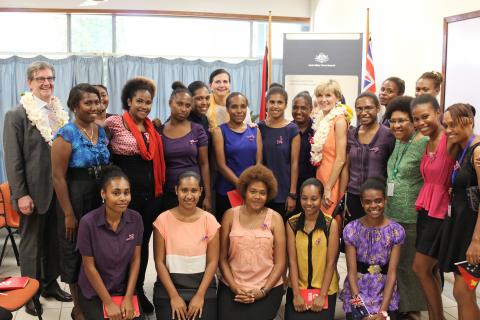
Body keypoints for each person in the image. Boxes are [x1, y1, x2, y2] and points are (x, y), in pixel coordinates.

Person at [3, 61, 71, 316]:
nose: (47, 83)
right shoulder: (17, 115)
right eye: (40, 78)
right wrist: (21, 194)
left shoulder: (58, 112)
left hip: (59, 190)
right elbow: (13, 159)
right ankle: (29, 293)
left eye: (50, 78)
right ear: (29, 83)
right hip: (32, 193)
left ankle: (50, 284)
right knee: (31, 246)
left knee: (54, 241)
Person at [104, 76, 166, 313]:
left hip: (151, 197)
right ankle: (118, 291)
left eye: (148, 102)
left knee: (142, 244)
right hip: (123, 199)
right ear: (128, 101)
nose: (144, 106)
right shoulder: (115, 123)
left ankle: (138, 289)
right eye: (139, 101)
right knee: (120, 245)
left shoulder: (152, 127)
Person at [52, 83, 110, 318]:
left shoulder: (101, 130)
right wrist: (68, 213)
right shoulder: (66, 134)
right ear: (75, 106)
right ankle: (78, 309)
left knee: (97, 251)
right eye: (88, 103)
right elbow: (57, 177)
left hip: (99, 197)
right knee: (75, 252)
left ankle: (95, 299)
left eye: (97, 102)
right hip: (75, 198)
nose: (94, 107)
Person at [411, 94, 457, 320]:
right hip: (426, 210)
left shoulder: (449, 139)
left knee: (420, 268)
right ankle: (434, 316)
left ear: (438, 113)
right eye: (416, 119)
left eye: (425, 116)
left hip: (442, 212)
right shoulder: (427, 141)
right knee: (431, 270)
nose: (420, 123)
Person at [218, 164, 286, 320]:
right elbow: (222, 258)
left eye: (262, 193)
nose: (257, 196)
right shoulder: (229, 215)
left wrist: (263, 291)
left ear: (268, 195)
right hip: (232, 286)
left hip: (267, 287)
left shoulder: (275, 218)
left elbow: (280, 263)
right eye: (253, 191)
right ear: (244, 192)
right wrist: (235, 288)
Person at [76, 166, 143, 320]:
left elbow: (135, 260)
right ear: (103, 194)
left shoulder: (136, 219)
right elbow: (89, 266)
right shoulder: (88, 222)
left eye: (126, 192)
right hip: (94, 291)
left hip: (122, 288)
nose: (123, 198)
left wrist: (128, 297)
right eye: (116, 193)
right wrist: (108, 302)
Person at [152, 171, 220, 320]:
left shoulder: (210, 221)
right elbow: (159, 262)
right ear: (176, 190)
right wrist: (174, 296)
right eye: (184, 190)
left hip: (203, 288)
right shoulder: (162, 220)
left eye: (194, 190)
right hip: (169, 288)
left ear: (201, 191)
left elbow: (213, 262)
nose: (189, 196)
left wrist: (200, 296)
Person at [384, 96, 428, 318]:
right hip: (390, 214)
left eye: (402, 121)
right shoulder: (398, 141)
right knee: (396, 264)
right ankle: (398, 305)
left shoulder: (423, 143)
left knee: (409, 266)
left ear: (413, 121)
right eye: (392, 121)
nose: (396, 125)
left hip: (411, 216)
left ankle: (412, 310)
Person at [340, 178, 405, 320]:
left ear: (385, 201)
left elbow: (392, 273)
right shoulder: (352, 229)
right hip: (358, 290)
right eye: (368, 202)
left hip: (385, 291)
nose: (373, 205)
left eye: (378, 200)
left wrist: (382, 312)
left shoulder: (395, 231)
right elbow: (351, 274)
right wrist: (362, 311)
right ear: (362, 203)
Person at [438, 103, 480, 319]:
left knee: (463, 291)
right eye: (445, 125)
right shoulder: (462, 150)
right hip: (462, 230)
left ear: (469, 121)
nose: (448, 130)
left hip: (473, 236)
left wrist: (476, 241)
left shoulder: (478, 150)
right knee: (464, 292)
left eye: (453, 125)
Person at [285, 178, 339, 320]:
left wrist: (322, 296)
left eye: (314, 199)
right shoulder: (292, 223)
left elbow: (331, 263)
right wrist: (296, 294)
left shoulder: (330, 224)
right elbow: (292, 260)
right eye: (304, 198)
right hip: (298, 288)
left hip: (325, 289)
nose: (309, 203)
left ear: (321, 199)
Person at [158, 81, 211, 212]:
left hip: (194, 192)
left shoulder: (197, 129)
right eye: (179, 104)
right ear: (170, 103)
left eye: (187, 105)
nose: (183, 109)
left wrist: (208, 196)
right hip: (169, 192)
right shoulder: (159, 131)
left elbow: (204, 164)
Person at [345, 92, 395, 222]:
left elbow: (393, 167)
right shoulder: (351, 134)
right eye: (359, 108)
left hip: (377, 199)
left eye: (368, 108)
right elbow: (346, 166)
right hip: (354, 196)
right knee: (355, 236)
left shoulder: (388, 135)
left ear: (378, 108)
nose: (363, 112)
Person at [212, 92, 262, 220]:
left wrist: (250, 187)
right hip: (227, 191)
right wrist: (241, 185)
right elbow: (221, 165)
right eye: (234, 107)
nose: (239, 111)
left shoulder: (255, 130)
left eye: (243, 106)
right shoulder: (219, 131)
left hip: (251, 190)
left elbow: (258, 162)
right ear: (228, 109)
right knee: (227, 231)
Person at [258, 84, 300, 218]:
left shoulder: (292, 130)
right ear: (266, 104)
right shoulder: (259, 127)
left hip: (284, 191)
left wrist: (292, 194)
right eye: (272, 102)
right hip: (263, 190)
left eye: (280, 102)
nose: (275, 106)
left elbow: (294, 163)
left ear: (286, 105)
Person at [310, 80, 349, 217]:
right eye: (320, 96)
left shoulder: (339, 121)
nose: (323, 99)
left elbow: (340, 159)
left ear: (337, 97)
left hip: (332, 179)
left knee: (330, 222)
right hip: (321, 175)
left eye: (328, 95)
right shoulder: (321, 119)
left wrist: (328, 187)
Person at [291, 91, 317, 213]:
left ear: (310, 109)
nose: (298, 111)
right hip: (290, 186)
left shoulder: (318, 130)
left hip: (311, 186)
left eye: (303, 108)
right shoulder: (287, 128)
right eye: (295, 107)